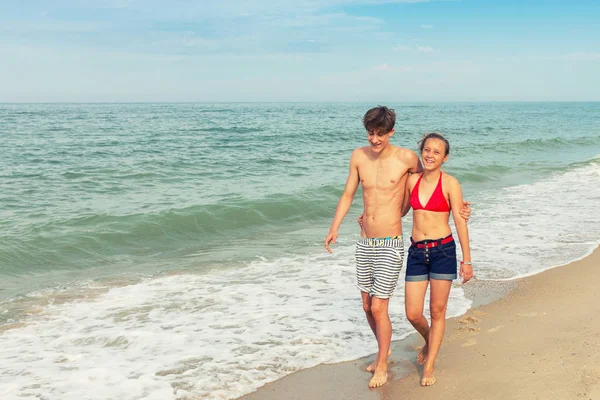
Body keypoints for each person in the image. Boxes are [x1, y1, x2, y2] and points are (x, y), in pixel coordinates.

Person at [324, 107, 470, 388]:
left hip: (392, 243)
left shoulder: (407, 158)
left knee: (380, 307)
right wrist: (334, 227)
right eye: (370, 133)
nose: (375, 139)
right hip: (365, 240)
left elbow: (428, 185)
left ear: (391, 132)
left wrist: (460, 210)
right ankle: (384, 349)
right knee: (367, 305)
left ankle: (382, 366)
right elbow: (348, 193)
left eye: (380, 133)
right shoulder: (358, 156)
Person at [403, 132, 473, 387]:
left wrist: (467, 260)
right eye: (427, 150)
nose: (430, 155)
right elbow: (398, 211)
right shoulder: (411, 181)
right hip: (416, 253)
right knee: (412, 313)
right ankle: (431, 339)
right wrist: (371, 218)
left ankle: (430, 364)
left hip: (443, 251)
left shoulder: (450, 184)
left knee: (437, 310)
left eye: (436, 152)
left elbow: (460, 221)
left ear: (445, 157)